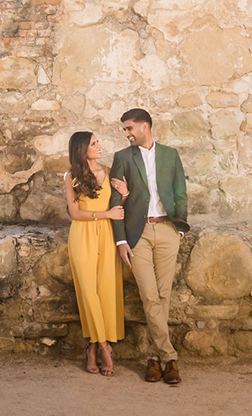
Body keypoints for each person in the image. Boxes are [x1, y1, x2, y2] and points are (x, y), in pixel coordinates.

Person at [108, 108, 189, 386]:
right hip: (137, 234)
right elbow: (115, 202)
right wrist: (120, 240)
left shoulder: (170, 155)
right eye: (125, 130)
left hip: (167, 229)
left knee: (163, 295)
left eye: (130, 128)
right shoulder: (122, 158)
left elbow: (180, 192)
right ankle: (170, 358)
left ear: (145, 126)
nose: (127, 134)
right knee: (149, 295)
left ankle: (154, 359)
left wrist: (179, 227)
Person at [62, 130, 127, 376]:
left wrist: (126, 194)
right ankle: (103, 346)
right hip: (82, 236)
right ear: (82, 149)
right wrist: (105, 215)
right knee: (88, 291)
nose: (99, 146)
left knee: (105, 291)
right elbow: (75, 213)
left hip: (108, 237)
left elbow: (122, 205)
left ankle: (91, 346)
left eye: (98, 142)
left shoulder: (110, 173)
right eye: (94, 143)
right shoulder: (71, 177)